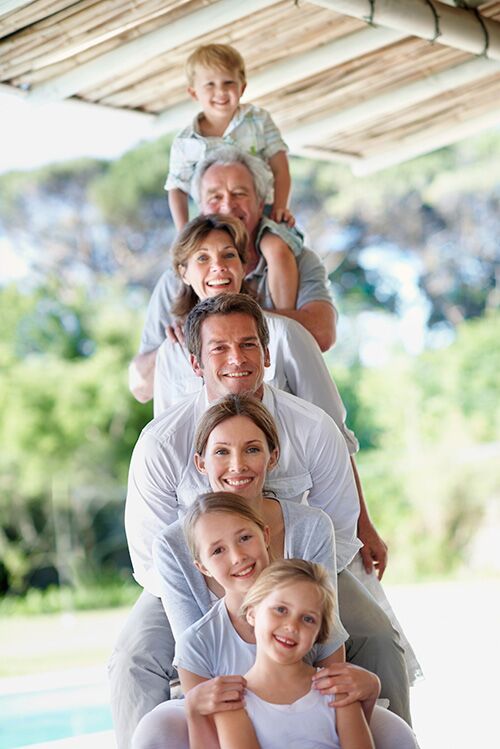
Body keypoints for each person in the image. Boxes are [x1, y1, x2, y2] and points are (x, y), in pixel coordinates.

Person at [133, 492, 418, 749]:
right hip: (228, 724)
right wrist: (195, 711)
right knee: (154, 728)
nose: (238, 556)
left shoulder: (312, 610)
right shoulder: (199, 644)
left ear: (265, 536)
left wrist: (368, 694)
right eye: (218, 550)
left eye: (245, 538)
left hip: (311, 706)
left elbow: (338, 693)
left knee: (396, 732)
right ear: (201, 567)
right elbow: (210, 726)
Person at [129, 144, 336, 403]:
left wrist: (223, 316)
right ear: (201, 206)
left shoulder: (296, 260)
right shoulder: (174, 282)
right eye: (215, 197)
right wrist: (176, 346)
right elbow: (140, 388)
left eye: (239, 193)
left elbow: (322, 336)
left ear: (261, 204)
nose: (227, 205)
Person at [165, 43, 299, 309]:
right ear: (194, 93)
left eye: (228, 82)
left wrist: (281, 206)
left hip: (260, 213)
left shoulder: (258, 120)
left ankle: (284, 319)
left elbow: (280, 164)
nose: (221, 92)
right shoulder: (186, 141)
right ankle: (194, 318)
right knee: (199, 261)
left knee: (275, 248)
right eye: (210, 85)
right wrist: (184, 232)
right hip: (212, 225)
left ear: (243, 86)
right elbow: (176, 189)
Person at [217, 560, 375, 749]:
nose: (292, 626)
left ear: (319, 632)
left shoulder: (336, 691)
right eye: (281, 609)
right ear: (252, 613)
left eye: (308, 619)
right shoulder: (232, 702)